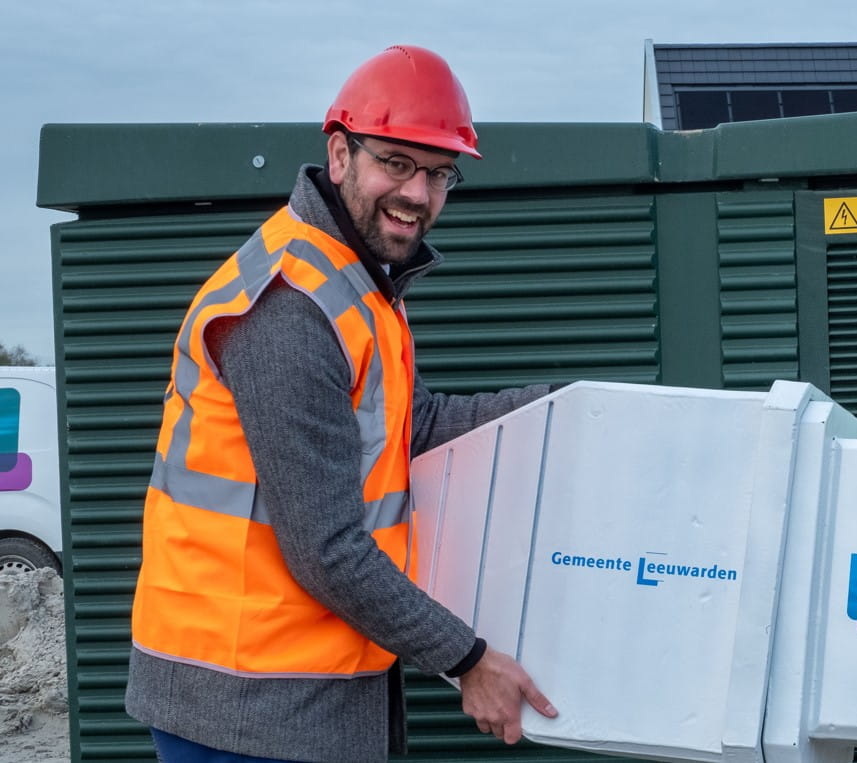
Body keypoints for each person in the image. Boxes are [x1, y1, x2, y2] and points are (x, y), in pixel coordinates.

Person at [125, 45, 559, 762]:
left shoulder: (357, 283)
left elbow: (410, 427)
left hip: (293, 685)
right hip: (244, 701)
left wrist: (564, 409)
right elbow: (325, 550)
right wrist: (467, 659)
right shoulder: (289, 308)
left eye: (438, 173)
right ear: (339, 152)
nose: (418, 193)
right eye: (396, 162)